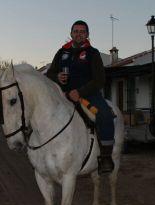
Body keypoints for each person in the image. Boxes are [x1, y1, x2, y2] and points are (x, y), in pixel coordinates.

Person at [46, 20, 115, 174]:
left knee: (105, 115)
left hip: (88, 95)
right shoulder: (61, 52)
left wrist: (80, 92)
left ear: (87, 35)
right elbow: (49, 74)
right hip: (63, 95)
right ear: (71, 34)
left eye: (82, 31)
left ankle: (105, 157)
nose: (78, 34)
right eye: (76, 31)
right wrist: (57, 77)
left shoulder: (93, 53)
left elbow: (100, 80)